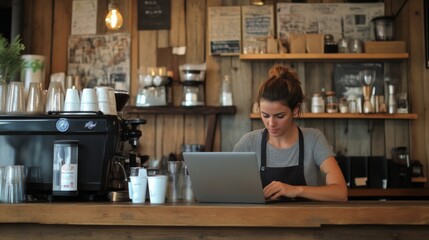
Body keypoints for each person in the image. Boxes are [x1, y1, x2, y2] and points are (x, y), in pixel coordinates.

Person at [233, 65, 347, 202]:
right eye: (265, 115)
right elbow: (229, 189)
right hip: (262, 222)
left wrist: (295, 190)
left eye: (280, 116)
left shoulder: (314, 139)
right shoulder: (249, 143)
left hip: (307, 222)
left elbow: (340, 193)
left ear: (295, 109)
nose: (271, 123)